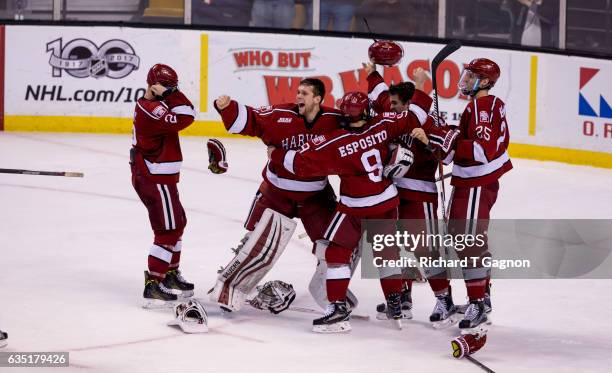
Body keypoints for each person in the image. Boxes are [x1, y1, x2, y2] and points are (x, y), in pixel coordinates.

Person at [268, 89, 454, 332]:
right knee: (388, 255)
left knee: (336, 253)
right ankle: (395, 304)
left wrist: (277, 155)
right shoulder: (384, 125)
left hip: (356, 207)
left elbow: (303, 164)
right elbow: (414, 116)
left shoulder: (337, 141)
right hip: (388, 203)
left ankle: (337, 310)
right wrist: (419, 90)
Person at [210, 78, 343, 312]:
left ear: (318, 99)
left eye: (305, 93)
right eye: (298, 92)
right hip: (277, 193)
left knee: (331, 246)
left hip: (315, 196)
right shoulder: (280, 115)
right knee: (254, 241)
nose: (299, 96)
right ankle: (230, 288)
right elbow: (251, 119)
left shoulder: (334, 120)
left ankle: (329, 291)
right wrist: (226, 107)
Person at [428, 58, 512, 335]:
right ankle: (481, 296)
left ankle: (477, 303)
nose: (464, 79)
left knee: (468, 240)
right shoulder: (479, 106)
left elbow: (480, 150)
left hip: (477, 182)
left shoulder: (483, 107)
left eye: (471, 75)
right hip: (470, 183)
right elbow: (463, 148)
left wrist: (446, 138)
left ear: (485, 81)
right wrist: (444, 135)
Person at [365, 63, 443, 320]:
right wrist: (372, 72)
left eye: (397, 103)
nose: (392, 107)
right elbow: (380, 97)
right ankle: (404, 296)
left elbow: (445, 152)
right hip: (395, 193)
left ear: (410, 104)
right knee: (397, 247)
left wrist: (429, 143)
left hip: (421, 194)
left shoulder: (428, 121)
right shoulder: (395, 117)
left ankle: (445, 300)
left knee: (425, 250)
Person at [130, 64, 197, 308]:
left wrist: (168, 92)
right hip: (154, 178)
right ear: (153, 87)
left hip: (160, 176)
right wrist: (171, 94)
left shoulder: (156, 104)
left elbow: (187, 111)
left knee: (178, 221)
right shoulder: (153, 110)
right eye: (168, 87)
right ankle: (154, 283)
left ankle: (170, 273)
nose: (172, 92)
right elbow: (187, 116)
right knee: (168, 229)